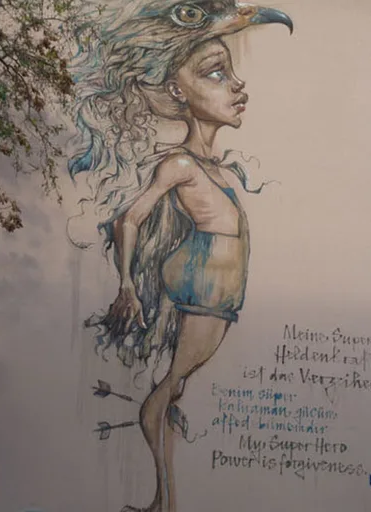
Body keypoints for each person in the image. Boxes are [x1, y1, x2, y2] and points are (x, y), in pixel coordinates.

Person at [66, 3, 293, 511]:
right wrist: (127, 285)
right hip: (202, 289)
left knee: (174, 389)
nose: (237, 85)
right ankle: (164, 504)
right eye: (215, 73)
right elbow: (129, 218)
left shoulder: (218, 169)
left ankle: (161, 502)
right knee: (166, 391)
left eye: (230, 72)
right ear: (176, 91)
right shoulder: (182, 164)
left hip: (216, 291)